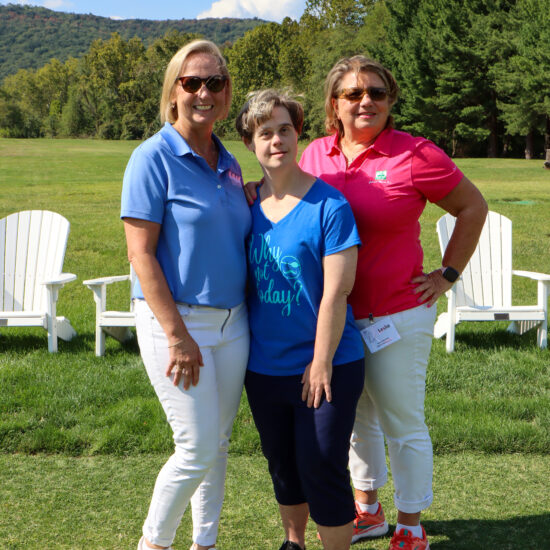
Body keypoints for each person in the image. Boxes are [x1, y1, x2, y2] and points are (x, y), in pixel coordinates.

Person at [296, 56, 488, 550]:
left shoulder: (415, 154)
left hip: (398, 314)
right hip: (334, 317)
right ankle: (369, 509)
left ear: (390, 100)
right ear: (333, 104)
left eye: (377, 93)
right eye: (354, 94)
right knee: (357, 417)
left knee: (401, 419)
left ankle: (410, 523)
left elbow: (472, 206)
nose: (366, 102)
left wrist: (447, 275)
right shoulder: (313, 155)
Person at [121, 39, 251, 550]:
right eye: (191, 82)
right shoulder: (151, 157)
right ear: (173, 91)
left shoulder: (230, 161)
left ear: (226, 93)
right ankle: (153, 544)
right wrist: (177, 336)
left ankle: (206, 543)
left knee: (217, 446)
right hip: (176, 324)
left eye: (214, 82)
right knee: (195, 448)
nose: (203, 91)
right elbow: (141, 255)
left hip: (233, 322)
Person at [236, 89, 366, 550]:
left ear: (298, 134)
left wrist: (321, 361)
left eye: (285, 129)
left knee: (322, 465)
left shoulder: (330, 207)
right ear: (250, 144)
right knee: (283, 464)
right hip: (265, 365)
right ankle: (294, 542)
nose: (277, 140)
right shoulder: (245, 206)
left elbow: (337, 290)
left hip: (328, 362)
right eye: (264, 132)